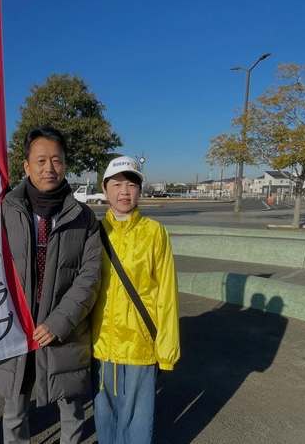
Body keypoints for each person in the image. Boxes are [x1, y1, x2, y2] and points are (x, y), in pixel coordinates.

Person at [0, 127, 101, 444]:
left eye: (56, 160)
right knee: (14, 410)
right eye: (41, 160)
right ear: (26, 165)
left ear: (65, 164)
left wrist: (59, 322)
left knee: (71, 408)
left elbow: (90, 276)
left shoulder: (83, 217)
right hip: (16, 326)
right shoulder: (2, 210)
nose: (49, 168)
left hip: (64, 330)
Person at [91, 156, 180, 444]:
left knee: (138, 422)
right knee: (105, 417)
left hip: (141, 344)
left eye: (131, 185)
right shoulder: (93, 233)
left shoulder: (155, 233)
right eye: (117, 185)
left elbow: (166, 294)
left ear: (140, 190)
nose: (124, 192)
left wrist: (166, 350)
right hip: (102, 344)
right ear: (105, 189)